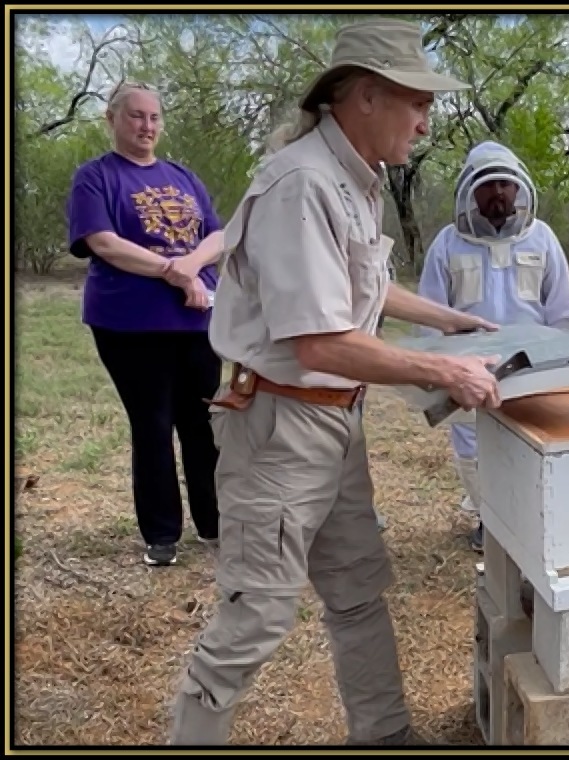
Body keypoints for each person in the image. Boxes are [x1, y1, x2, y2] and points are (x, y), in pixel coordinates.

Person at [168, 19, 504, 746]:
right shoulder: (302, 184)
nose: (425, 119)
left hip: (331, 420)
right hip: (280, 428)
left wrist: (452, 322)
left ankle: (384, 735)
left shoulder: (354, 176)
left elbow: (359, 289)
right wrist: (443, 370)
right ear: (363, 98)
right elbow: (316, 337)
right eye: (416, 102)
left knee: (357, 591)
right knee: (254, 615)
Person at [65, 80, 225, 567]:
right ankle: (161, 535)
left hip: (198, 320)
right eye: (135, 116)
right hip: (130, 323)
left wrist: (193, 266)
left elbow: (218, 234)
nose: (146, 126)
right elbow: (103, 241)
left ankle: (216, 525)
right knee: (153, 425)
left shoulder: (183, 176)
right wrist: (173, 271)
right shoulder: (95, 177)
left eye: (154, 117)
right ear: (111, 120)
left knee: (204, 425)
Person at [417, 140, 569, 551]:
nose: (498, 194)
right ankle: (488, 519)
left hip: (532, 365)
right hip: (469, 367)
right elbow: (430, 313)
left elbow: (562, 310)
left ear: (519, 188)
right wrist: (438, 370)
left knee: (533, 442)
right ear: (471, 191)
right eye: (488, 186)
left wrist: (566, 367)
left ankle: (531, 521)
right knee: (473, 446)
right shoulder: (448, 244)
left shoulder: (541, 239)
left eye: (506, 185)